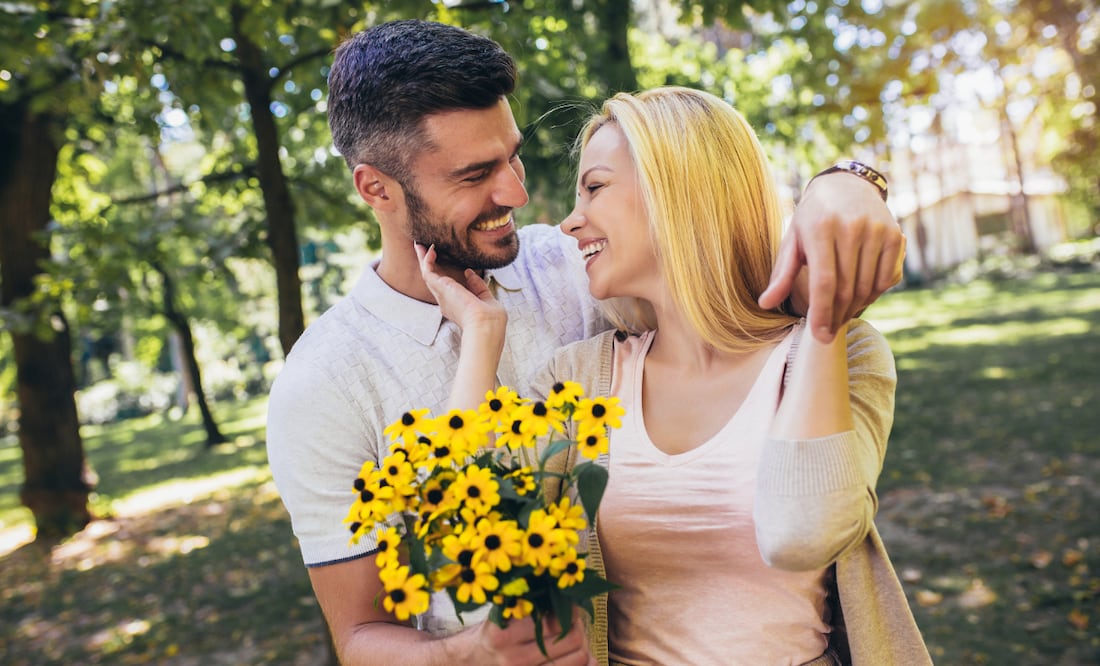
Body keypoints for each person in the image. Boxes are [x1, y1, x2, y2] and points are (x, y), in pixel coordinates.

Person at [266, 19, 908, 666]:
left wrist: (849, 181)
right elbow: (356, 635)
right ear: (376, 188)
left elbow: (722, 243)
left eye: (512, 155)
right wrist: (476, 653)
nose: (517, 194)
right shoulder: (323, 382)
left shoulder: (574, 264)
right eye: (475, 174)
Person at [422, 86, 930, 665]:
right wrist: (482, 334)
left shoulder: (841, 354)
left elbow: (804, 532)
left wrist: (823, 314)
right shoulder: (581, 380)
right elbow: (466, 539)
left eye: (595, 187)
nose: (570, 221)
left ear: (677, 190)